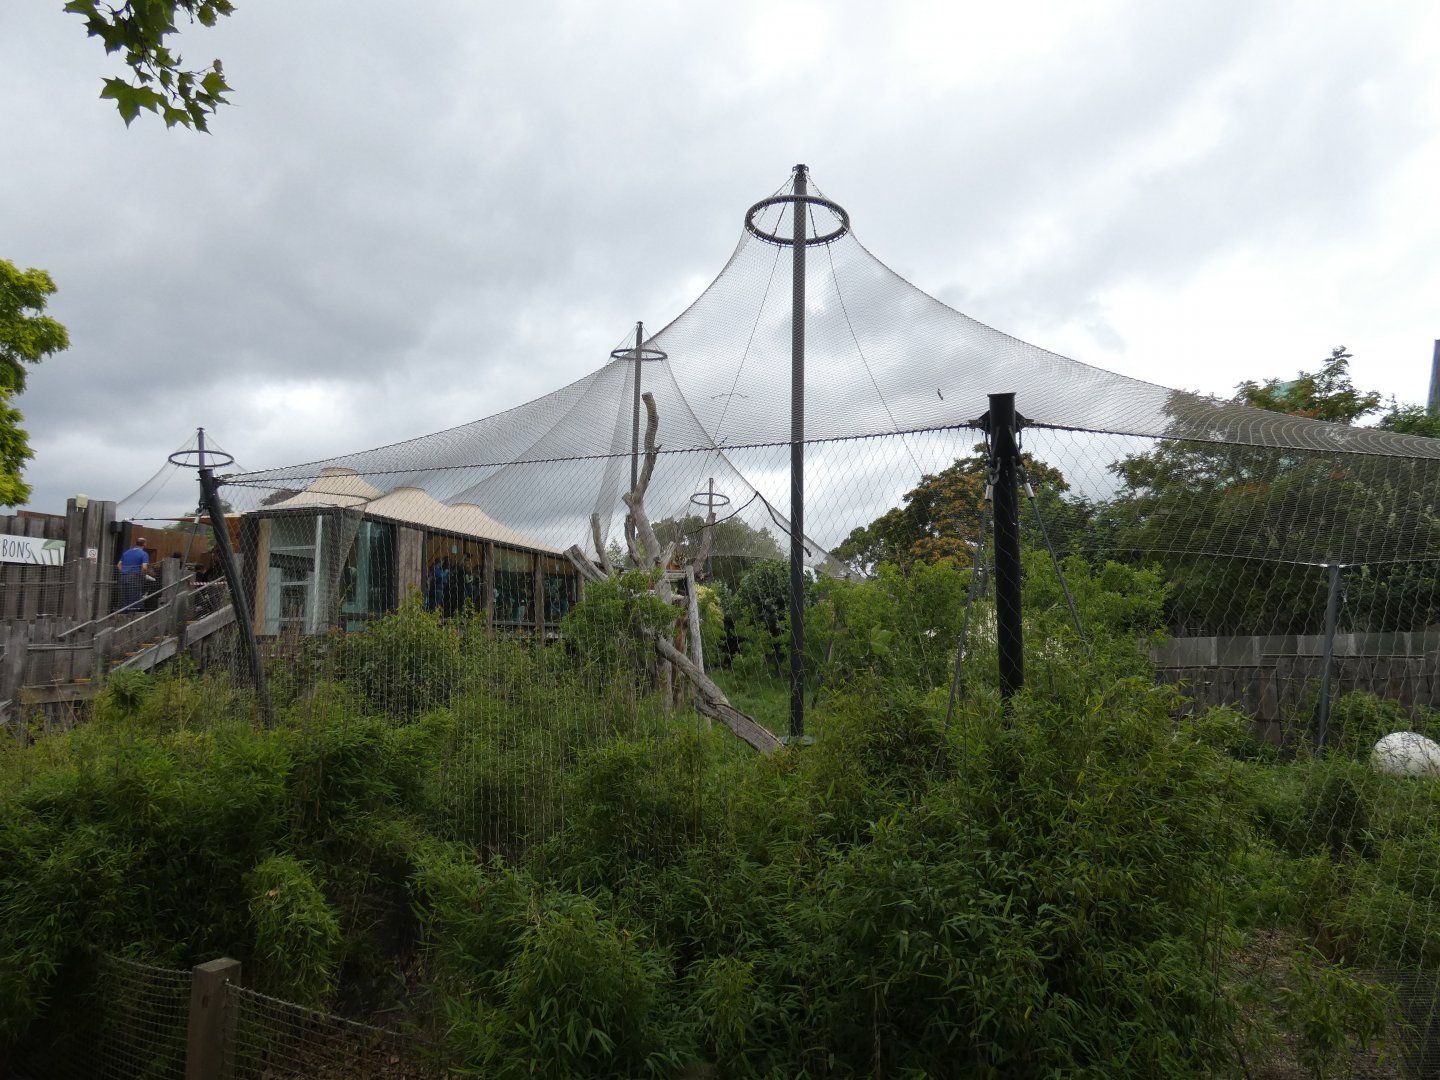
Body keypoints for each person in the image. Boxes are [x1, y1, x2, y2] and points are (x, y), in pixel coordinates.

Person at [116, 537, 150, 612]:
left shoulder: (126, 552)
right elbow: (144, 568)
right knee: (134, 596)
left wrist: (124, 571)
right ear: (144, 544)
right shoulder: (144, 554)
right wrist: (144, 575)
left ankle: (123, 614)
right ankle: (132, 615)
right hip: (135, 577)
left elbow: (118, 565)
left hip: (123, 577)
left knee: (124, 596)